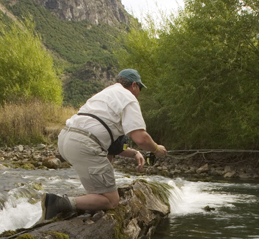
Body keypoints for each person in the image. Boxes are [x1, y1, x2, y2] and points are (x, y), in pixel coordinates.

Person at [41, 69, 167, 220]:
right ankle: (57, 203)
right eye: (140, 88)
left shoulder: (105, 94)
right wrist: (157, 149)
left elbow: (114, 148)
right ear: (134, 85)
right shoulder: (129, 98)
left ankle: (85, 206)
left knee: (99, 192)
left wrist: (135, 153)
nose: (139, 92)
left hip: (66, 139)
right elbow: (142, 139)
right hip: (85, 144)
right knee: (112, 201)